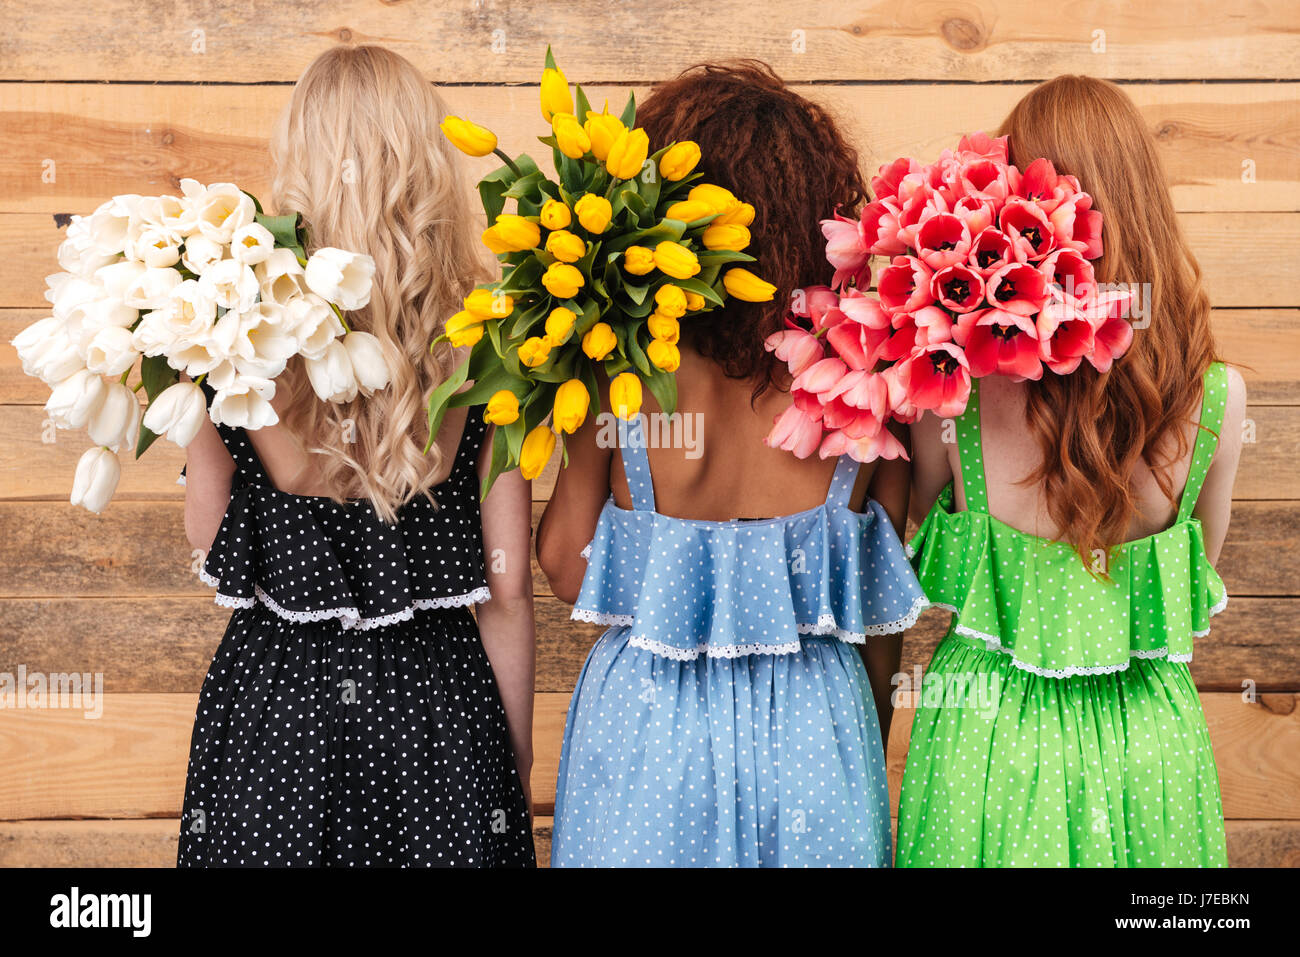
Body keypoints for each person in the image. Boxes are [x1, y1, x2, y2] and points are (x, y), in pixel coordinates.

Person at [537, 62, 928, 867]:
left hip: (647, 729)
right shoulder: (866, 381)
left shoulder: (619, 365)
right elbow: (875, 610)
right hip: (818, 728)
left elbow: (564, 563)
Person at [177, 45, 535, 867]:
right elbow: (507, 588)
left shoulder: (231, 335)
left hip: (275, 718)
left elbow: (208, 539)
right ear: (426, 164)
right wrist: (508, 763)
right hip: (440, 713)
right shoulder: (492, 342)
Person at [896, 75, 1246, 867]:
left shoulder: (948, 392)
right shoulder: (1219, 399)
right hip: (1148, 751)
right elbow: (1200, 568)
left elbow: (906, 532)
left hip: (983, 747)